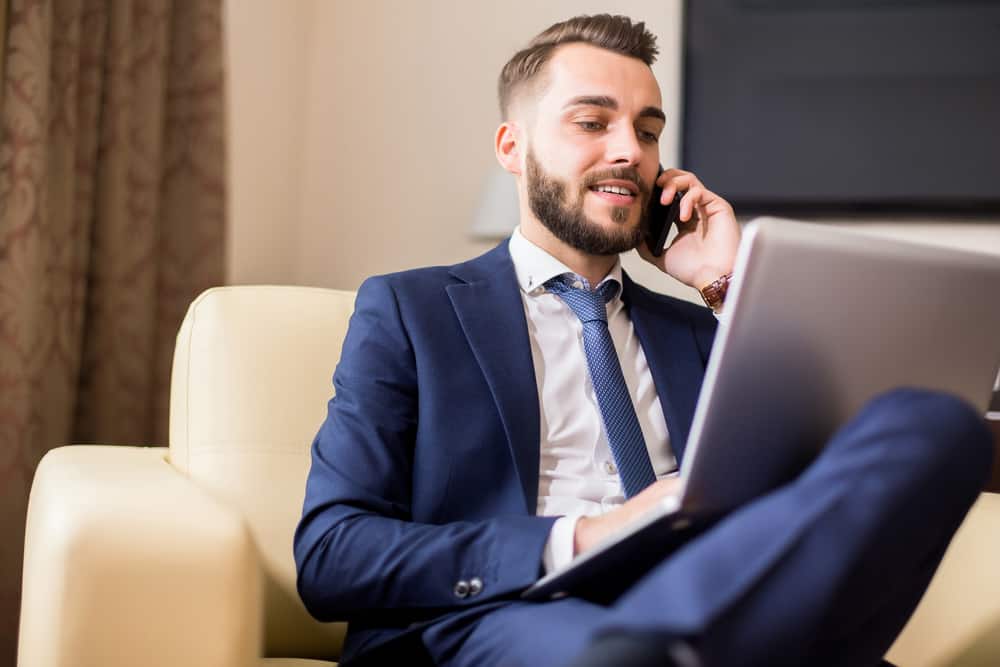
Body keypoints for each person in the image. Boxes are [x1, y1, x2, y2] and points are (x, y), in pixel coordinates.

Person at [294, 15, 993, 667]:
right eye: (592, 122)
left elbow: (827, 487)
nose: (630, 151)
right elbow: (331, 555)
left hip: (701, 593)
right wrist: (579, 537)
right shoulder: (410, 309)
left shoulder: (703, 327)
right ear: (513, 146)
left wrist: (723, 282)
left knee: (934, 421)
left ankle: (664, 641)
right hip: (509, 615)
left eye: (649, 131)